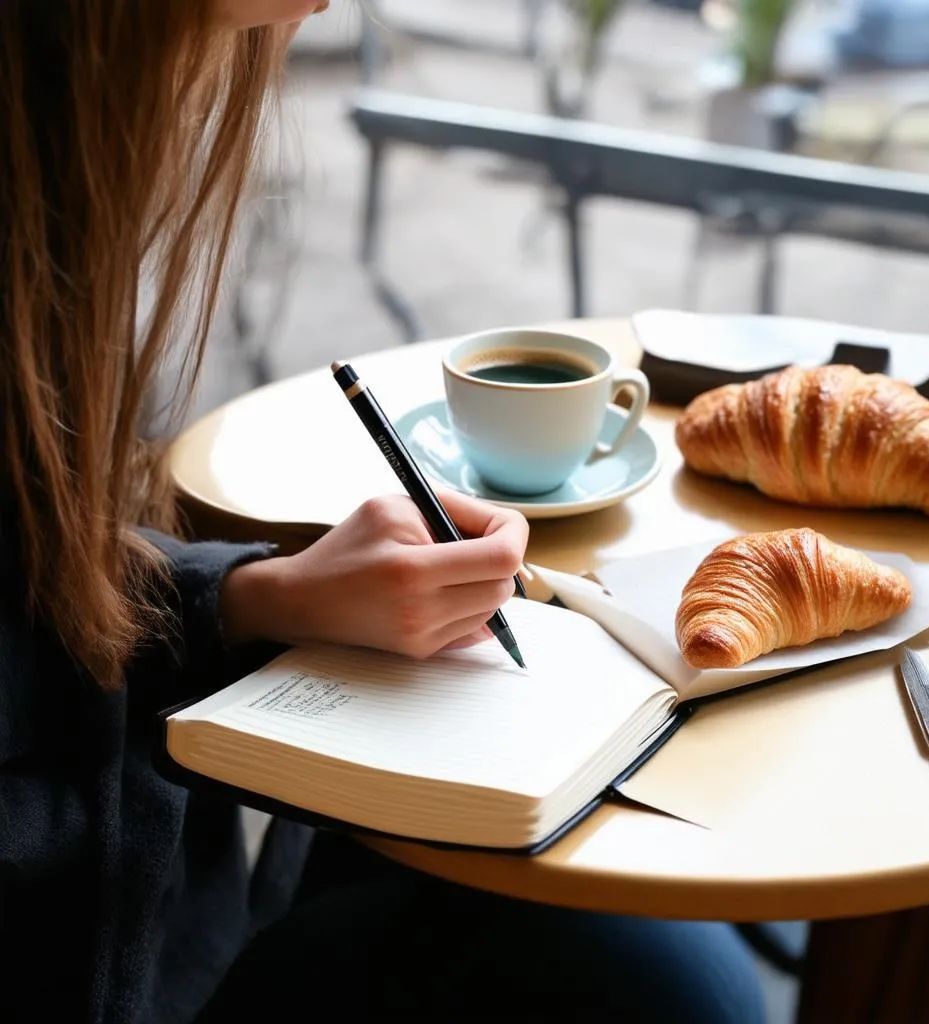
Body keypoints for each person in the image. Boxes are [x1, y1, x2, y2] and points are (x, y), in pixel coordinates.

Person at [0, 2, 766, 1021]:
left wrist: (258, 597)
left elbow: (31, 585)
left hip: (168, 910)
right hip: (111, 960)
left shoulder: (56, 143)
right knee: (673, 990)